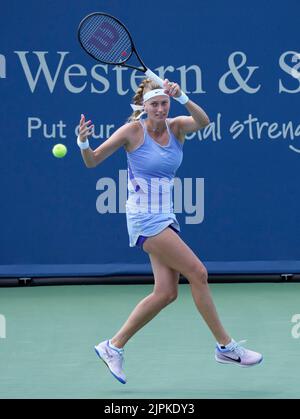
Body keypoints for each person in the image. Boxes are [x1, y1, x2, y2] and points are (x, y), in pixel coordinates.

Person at [77, 78, 263, 384]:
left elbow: (203, 121)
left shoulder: (177, 126)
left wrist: (184, 96)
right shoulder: (133, 131)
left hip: (164, 214)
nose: (161, 108)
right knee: (198, 272)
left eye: (164, 103)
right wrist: (83, 142)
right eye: (155, 104)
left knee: (166, 293)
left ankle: (112, 346)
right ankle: (226, 346)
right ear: (144, 107)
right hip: (144, 217)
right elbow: (93, 161)